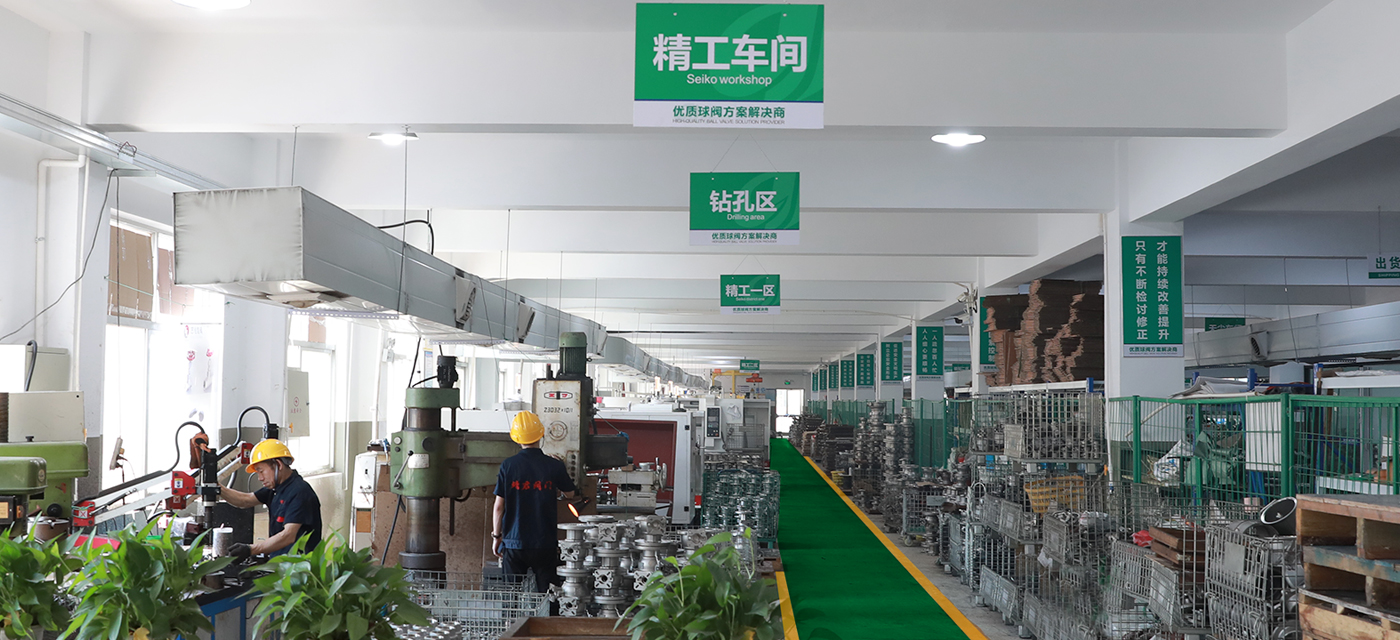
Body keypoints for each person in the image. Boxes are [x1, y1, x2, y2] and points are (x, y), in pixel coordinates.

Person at [493, 411, 577, 593]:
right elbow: (570, 493)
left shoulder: (508, 466)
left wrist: (496, 537)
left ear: (516, 438)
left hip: (514, 543)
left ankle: (512, 614)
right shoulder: (554, 465)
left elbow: (499, 507)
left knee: (511, 596)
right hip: (544, 543)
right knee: (548, 596)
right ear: (541, 435)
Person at [219, 438, 324, 557]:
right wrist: (217, 488)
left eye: (261, 471)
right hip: (279, 561)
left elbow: (288, 536)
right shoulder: (275, 489)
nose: (260, 478)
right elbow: (245, 500)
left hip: (299, 565)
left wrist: (251, 549)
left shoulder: (300, 492)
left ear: (278, 464)